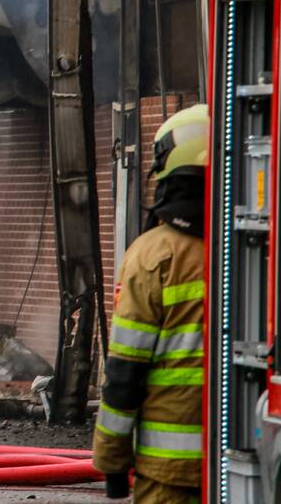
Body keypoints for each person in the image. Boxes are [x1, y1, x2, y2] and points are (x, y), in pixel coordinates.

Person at [93, 104, 208, 502]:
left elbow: (124, 372)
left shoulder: (152, 257)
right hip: (244, 463)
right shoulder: (256, 250)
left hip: (168, 475)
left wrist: (111, 461)